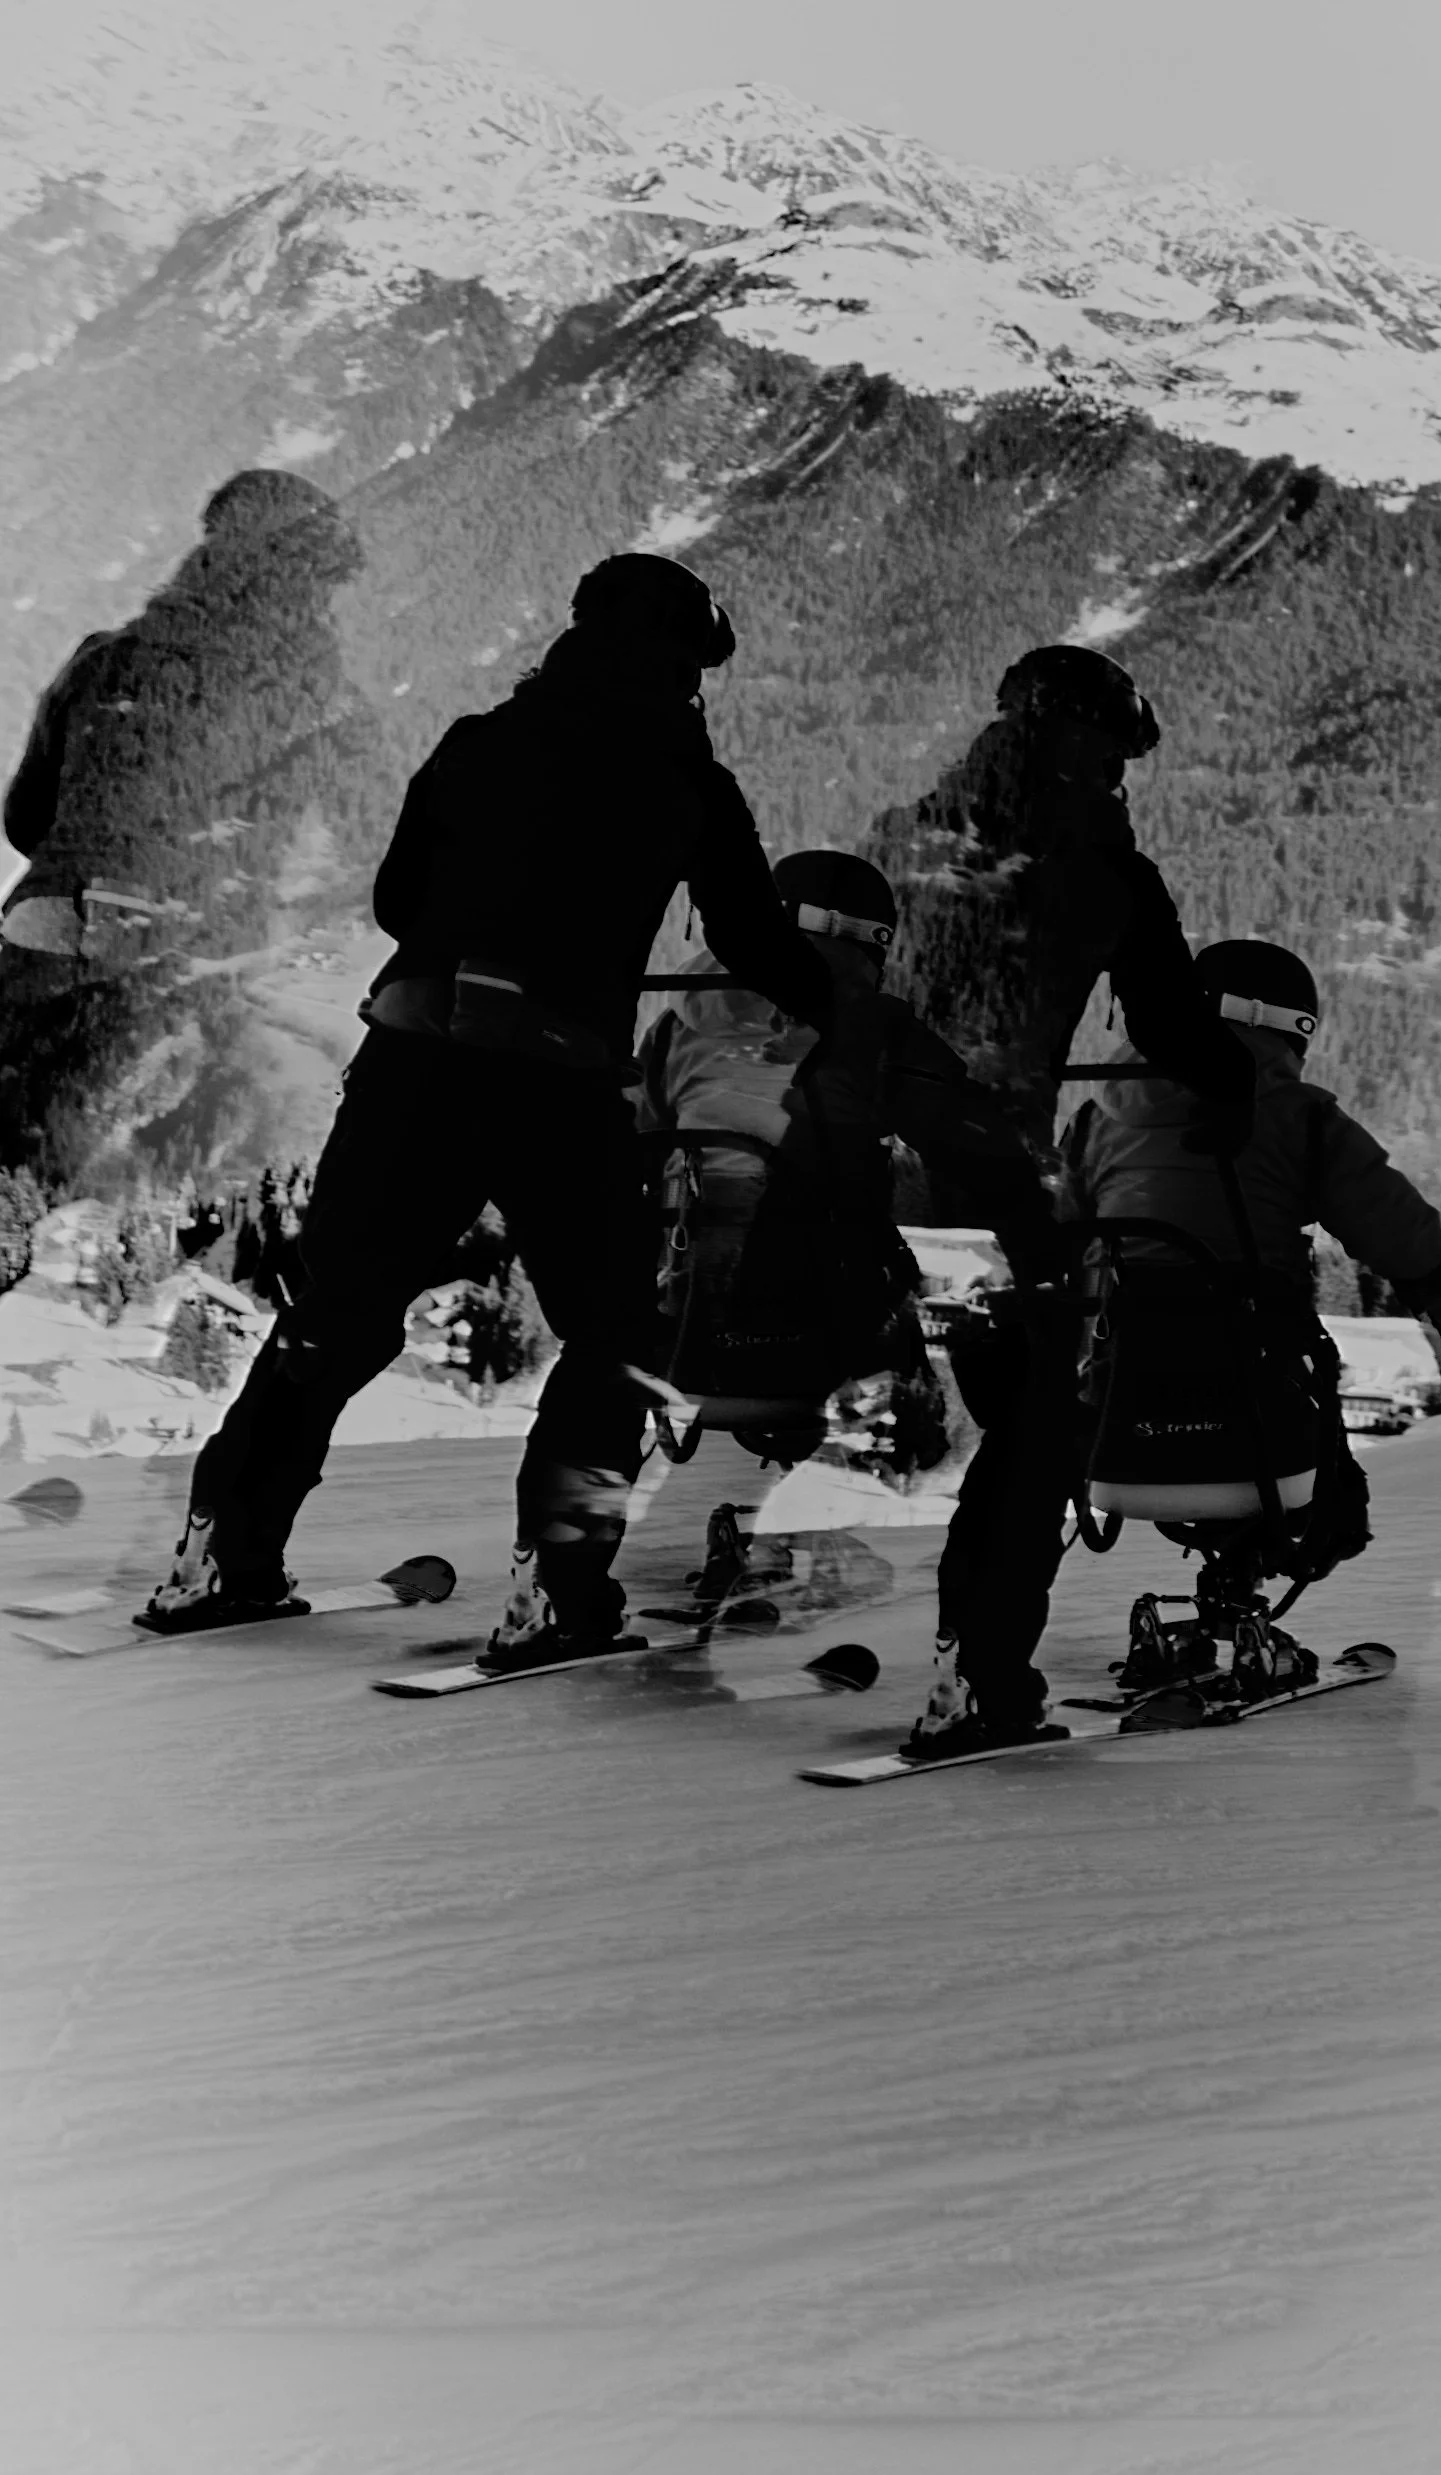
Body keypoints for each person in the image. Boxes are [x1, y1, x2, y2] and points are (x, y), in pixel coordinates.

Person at [141, 552, 859, 1667]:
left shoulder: (477, 742)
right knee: (615, 1335)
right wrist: (837, 1006)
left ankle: (216, 1559)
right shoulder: (688, 785)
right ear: (682, 662)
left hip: (411, 1060)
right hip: (553, 1086)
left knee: (335, 1311)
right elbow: (752, 939)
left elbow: (395, 903)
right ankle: (556, 1593)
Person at [866, 645, 1258, 1756]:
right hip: (986, 1194)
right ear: (1090, 745)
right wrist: (1236, 1093)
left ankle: (607, 1565)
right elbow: (1175, 1031)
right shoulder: (1109, 875)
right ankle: (979, 1675)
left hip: (857, 1177)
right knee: (1041, 1435)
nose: (1125, 782)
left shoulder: (902, 833)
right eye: (1119, 757)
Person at [1059, 937, 1441, 1691]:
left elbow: (1058, 1258)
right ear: (1287, 1032)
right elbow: (1404, 1233)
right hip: (1261, 1441)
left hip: (1116, 1443)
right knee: (1335, 1505)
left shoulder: (1098, 1118)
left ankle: (1205, 1608)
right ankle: (1241, 1597)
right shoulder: (1296, 1117)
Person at [635, 846, 1056, 1602]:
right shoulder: (877, 1030)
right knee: (945, 1346)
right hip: (814, 1336)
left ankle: (582, 1551)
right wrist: (1045, 1258)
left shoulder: (675, 1026)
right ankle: (824, 1535)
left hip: (679, 1330)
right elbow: (985, 1156)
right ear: (872, 945)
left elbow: (628, 1158)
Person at [1, 470, 381, 1188]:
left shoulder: (103, 656)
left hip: (43, 925)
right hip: (180, 957)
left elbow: (25, 820)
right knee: (91, 1182)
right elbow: (373, 849)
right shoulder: (322, 699)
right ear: (309, 577)